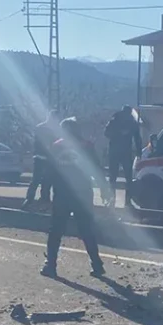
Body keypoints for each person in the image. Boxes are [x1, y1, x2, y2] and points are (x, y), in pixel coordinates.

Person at [42, 117, 104, 278]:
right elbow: (97, 169)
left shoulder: (56, 147)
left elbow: (48, 173)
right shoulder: (87, 146)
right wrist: (104, 189)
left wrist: (44, 195)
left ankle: (50, 265)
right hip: (83, 194)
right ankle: (97, 265)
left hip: (62, 194)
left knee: (56, 230)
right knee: (86, 229)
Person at [103, 105, 143, 207]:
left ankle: (118, 200)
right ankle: (123, 201)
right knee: (123, 178)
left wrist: (139, 152)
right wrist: (139, 153)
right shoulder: (122, 120)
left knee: (117, 177)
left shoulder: (119, 120)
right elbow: (137, 139)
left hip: (118, 151)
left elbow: (137, 138)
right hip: (121, 152)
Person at [23, 110, 58, 209]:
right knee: (42, 180)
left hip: (43, 158)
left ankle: (35, 200)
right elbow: (42, 143)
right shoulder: (46, 128)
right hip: (43, 157)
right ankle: (37, 200)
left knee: (42, 180)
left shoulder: (41, 127)